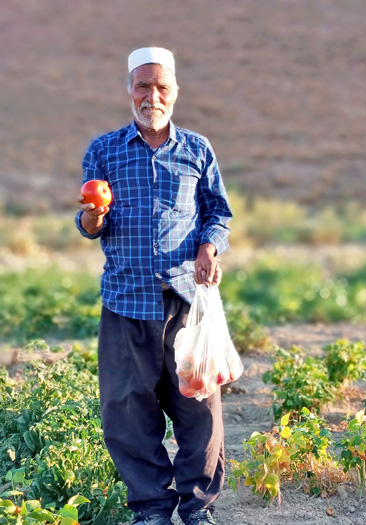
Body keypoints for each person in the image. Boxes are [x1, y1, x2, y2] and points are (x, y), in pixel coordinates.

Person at [75, 47, 233, 525]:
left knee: (199, 410)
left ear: (175, 92)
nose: (152, 96)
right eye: (143, 86)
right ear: (130, 90)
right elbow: (87, 224)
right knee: (127, 413)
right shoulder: (103, 151)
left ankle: (198, 508)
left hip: (186, 303)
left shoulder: (197, 150)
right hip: (126, 303)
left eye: (161, 86)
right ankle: (151, 508)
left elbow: (218, 214)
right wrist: (93, 215)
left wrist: (209, 248)